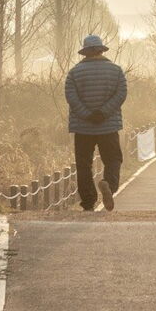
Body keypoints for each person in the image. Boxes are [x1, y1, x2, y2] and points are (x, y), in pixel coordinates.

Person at [64, 34, 127, 211]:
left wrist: (88, 115)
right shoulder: (116, 70)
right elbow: (121, 94)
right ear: (101, 50)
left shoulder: (74, 73)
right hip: (109, 125)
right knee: (113, 159)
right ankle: (109, 184)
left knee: (84, 164)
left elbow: (71, 97)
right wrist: (103, 113)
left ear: (85, 53)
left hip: (83, 127)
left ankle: (88, 201)